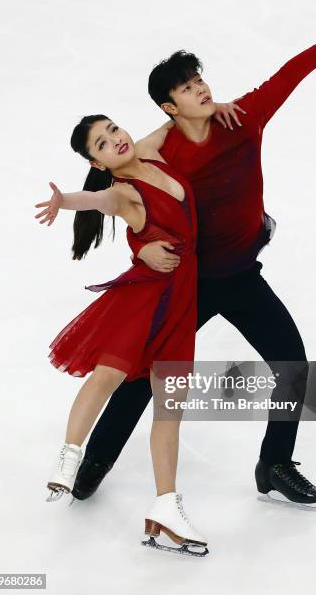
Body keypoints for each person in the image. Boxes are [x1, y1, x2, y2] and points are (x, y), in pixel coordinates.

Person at [72, 36, 316, 511]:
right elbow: (130, 201)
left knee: (291, 363)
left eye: (199, 79)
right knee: (145, 374)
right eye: (186, 87)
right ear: (169, 106)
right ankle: (97, 458)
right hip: (190, 283)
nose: (200, 88)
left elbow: (280, 82)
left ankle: (274, 465)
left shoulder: (241, 120)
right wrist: (142, 250)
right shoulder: (155, 152)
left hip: (243, 275)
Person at [35, 114, 211, 555]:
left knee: (170, 412)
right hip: (145, 300)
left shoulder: (149, 152)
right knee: (108, 376)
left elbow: (175, 123)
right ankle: (70, 455)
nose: (115, 139)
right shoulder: (123, 191)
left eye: (113, 129)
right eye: (101, 143)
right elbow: (98, 201)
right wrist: (65, 202)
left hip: (180, 303)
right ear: (96, 161)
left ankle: (166, 506)